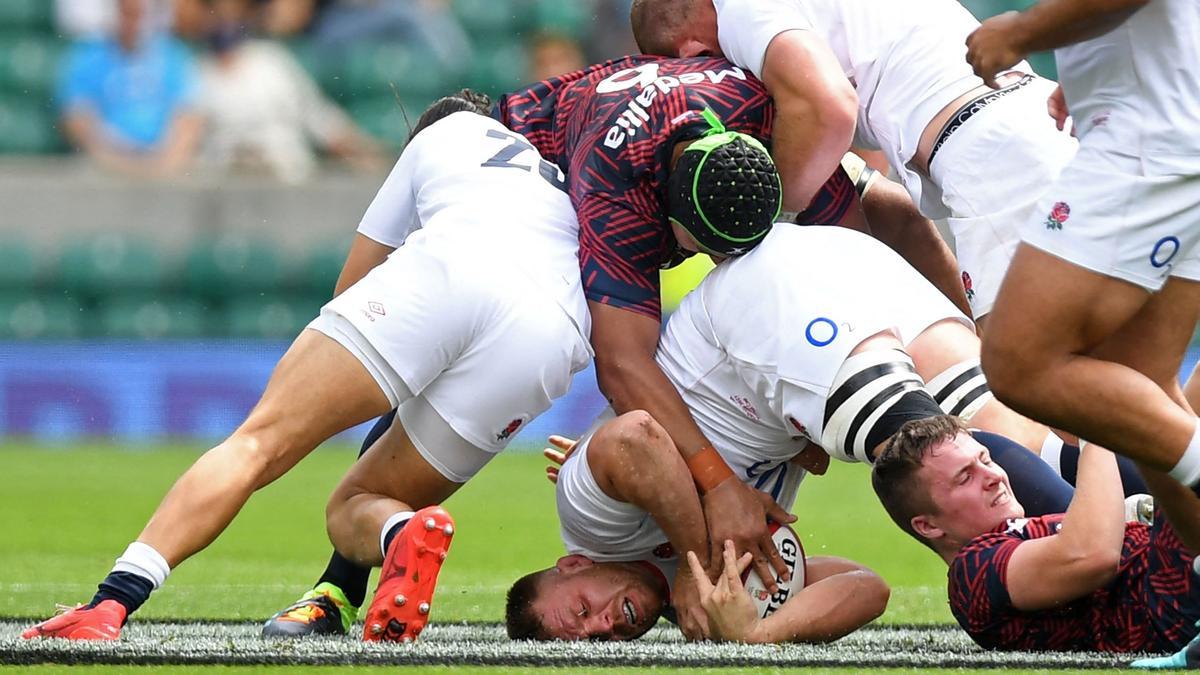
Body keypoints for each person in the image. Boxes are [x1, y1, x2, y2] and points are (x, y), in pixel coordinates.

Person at [262, 55, 968, 641]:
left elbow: (627, 388)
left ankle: (337, 584)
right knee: (423, 379)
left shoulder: (611, 161)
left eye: (581, 615)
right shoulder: (639, 149)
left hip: (681, 278)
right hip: (557, 208)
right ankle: (339, 582)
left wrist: (711, 500)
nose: (603, 626)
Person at [20, 96, 598, 643]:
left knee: (256, 445)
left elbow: (354, 285)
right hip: (552, 333)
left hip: (452, 268)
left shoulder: (439, 136)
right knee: (364, 501)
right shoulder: (553, 180)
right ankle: (386, 545)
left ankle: (111, 601)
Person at [629, 0, 1079, 324]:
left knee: (1024, 381)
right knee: (1113, 359)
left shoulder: (739, 12)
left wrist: (772, 222)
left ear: (690, 55)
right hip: (1038, 117)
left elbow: (830, 109)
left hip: (993, 156)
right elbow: (862, 162)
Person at [965, 0, 1200, 566]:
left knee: (1019, 362)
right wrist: (1089, 69)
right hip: (1166, 128)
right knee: (1135, 392)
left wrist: (1025, 31)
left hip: (1148, 145)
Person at [504, 412, 889, 642]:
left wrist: (699, 557)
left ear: (573, 565)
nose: (604, 625)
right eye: (596, 642)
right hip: (797, 415)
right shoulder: (711, 606)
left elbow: (634, 434)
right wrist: (758, 634)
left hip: (758, 350)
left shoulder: (592, 521)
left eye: (582, 609)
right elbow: (868, 587)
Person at [872, 415, 1200, 654]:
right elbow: (1093, 555)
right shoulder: (973, 571)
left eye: (985, 459)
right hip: (1170, 608)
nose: (993, 476)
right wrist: (1095, 429)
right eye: (964, 478)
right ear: (929, 526)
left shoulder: (1016, 531)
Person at [195, 0, 384, 183]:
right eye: (217, 12)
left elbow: (320, 120)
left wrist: (363, 154)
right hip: (224, 191)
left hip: (287, 181)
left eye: (234, 11)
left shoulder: (271, 61)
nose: (225, 20)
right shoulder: (197, 72)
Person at [57, 0, 204, 177]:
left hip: (164, 165)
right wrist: (115, 162)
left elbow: (189, 119)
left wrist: (163, 166)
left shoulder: (174, 57)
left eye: (139, 14)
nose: (132, 22)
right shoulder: (88, 56)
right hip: (104, 166)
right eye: (126, 13)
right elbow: (77, 120)